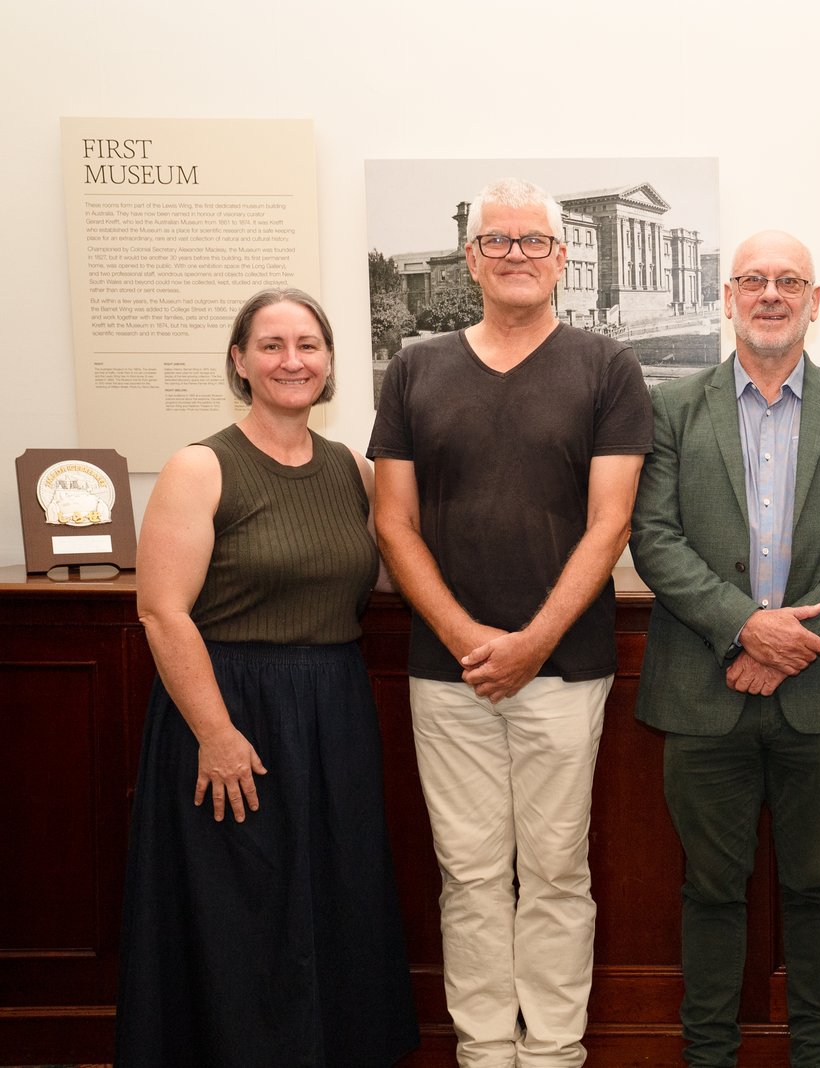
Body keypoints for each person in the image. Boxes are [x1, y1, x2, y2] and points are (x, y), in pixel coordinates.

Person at [368, 177, 652, 1067]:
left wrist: (532, 643)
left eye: (535, 241)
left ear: (562, 258)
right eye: (500, 241)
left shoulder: (607, 367)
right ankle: (485, 1050)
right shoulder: (415, 366)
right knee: (472, 875)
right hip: (444, 670)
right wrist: (463, 636)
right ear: (472, 257)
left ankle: (555, 1052)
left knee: (558, 874)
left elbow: (611, 523)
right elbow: (392, 522)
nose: (517, 254)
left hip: (567, 669)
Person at [117, 288, 418, 1067]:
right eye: (274, 345)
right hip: (231, 710)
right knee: (241, 912)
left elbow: (385, 576)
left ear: (329, 363)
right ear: (240, 360)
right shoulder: (200, 467)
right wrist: (215, 734)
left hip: (335, 707)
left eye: (309, 345)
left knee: (334, 897)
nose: (294, 361)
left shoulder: (352, 466)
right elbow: (163, 614)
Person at [631, 230, 820, 1067]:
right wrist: (745, 627)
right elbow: (654, 535)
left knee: (818, 886)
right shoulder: (673, 407)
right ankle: (708, 1053)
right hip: (701, 692)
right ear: (728, 297)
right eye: (754, 280)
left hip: (816, 697)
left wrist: (793, 641)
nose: (771, 294)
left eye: (790, 281)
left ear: (814, 300)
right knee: (710, 889)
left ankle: (819, 1053)